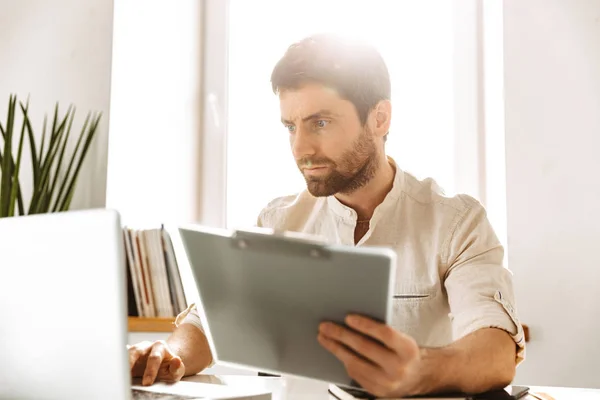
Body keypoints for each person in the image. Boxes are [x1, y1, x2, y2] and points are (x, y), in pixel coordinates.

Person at [128, 33, 525, 398]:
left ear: (380, 118)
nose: (301, 147)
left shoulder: (456, 222)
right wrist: (170, 353)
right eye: (290, 126)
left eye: (320, 122)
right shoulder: (278, 223)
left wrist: (420, 370)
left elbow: (495, 349)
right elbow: (213, 319)